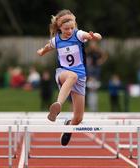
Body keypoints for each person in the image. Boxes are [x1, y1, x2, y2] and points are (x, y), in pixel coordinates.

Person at [37, 9, 102, 146]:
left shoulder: (78, 34)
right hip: (63, 74)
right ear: (59, 28)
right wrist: (42, 51)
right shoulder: (56, 40)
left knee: (78, 118)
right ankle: (58, 106)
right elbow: (48, 46)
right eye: (66, 29)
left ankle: (68, 126)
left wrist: (94, 36)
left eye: (72, 27)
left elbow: (94, 36)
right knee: (72, 75)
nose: (70, 31)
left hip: (80, 78)